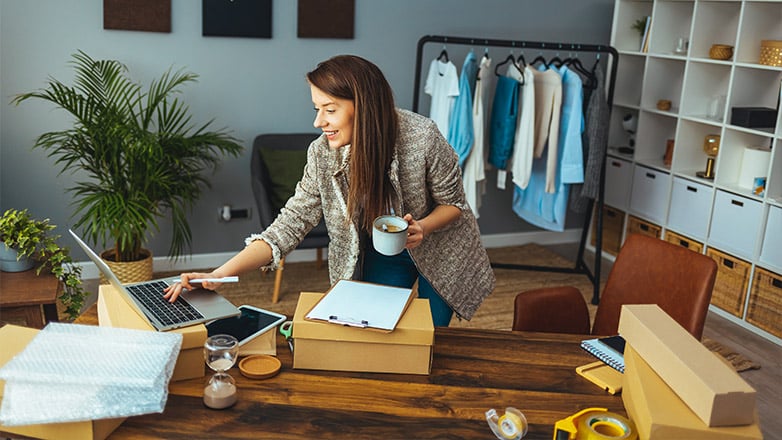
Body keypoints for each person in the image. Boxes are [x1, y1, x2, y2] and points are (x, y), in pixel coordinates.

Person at [165, 54, 495, 326]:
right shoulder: (322, 153)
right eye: (316, 109)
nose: (318, 122)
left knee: (430, 334)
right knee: (380, 328)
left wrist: (423, 226)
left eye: (330, 109)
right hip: (382, 249)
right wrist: (220, 274)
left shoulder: (422, 137)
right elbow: (288, 225)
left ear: (363, 106)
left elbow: (454, 204)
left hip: (440, 246)